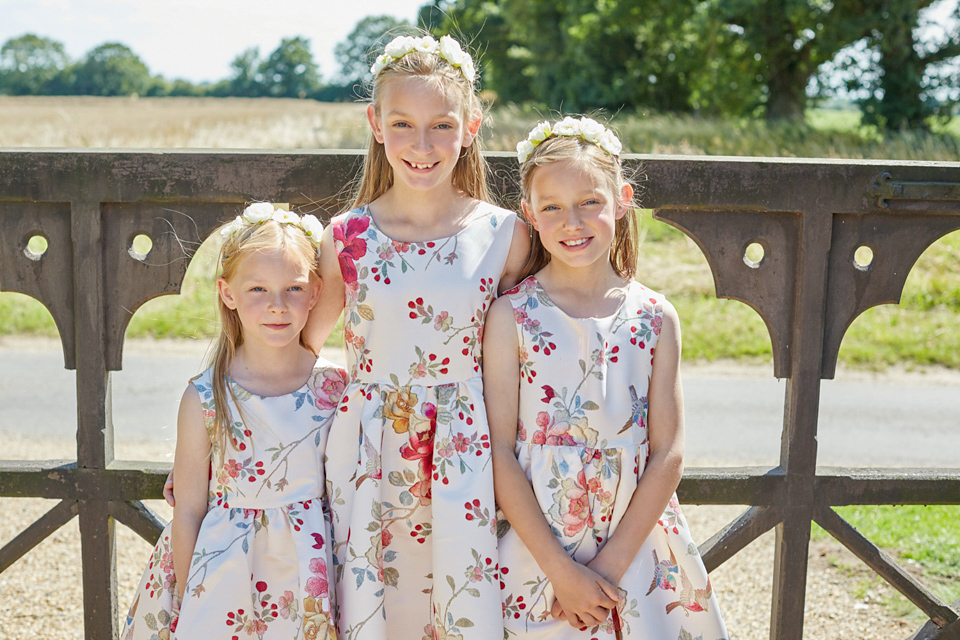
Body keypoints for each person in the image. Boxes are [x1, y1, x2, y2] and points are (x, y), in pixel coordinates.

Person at [303, 34, 528, 640]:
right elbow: (299, 350)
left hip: (468, 449)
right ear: (375, 124)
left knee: (459, 601)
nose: (422, 146)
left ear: (472, 126)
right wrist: (224, 433)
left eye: (441, 125)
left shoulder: (503, 235)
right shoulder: (348, 237)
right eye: (403, 123)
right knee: (382, 605)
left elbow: (537, 342)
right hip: (370, 450)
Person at [483, 117, 729, 639]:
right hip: (539, 551)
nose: (572, 222)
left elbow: (668, 453)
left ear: (622, 199)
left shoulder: (655, 318)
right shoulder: (511, 317)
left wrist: (607, 571)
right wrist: (563, 573)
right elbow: (499, 451)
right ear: (528, 214)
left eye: (589, 201)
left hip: (636, 550)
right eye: (551, 207)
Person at [123, 203, 346, 640]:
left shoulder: (335, 389)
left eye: (294, 289)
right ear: (228, 293)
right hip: (222, 572)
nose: (277, 306)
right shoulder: (206, 396)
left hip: (308, 572)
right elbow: (188, 511)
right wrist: (191, 597)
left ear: (316, 292)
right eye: (258, 289)